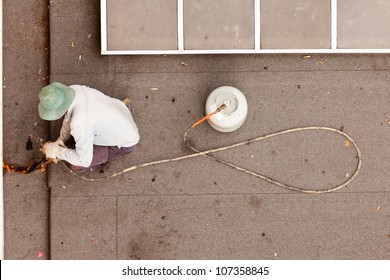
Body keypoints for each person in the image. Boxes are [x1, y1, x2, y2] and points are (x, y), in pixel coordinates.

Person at [38, 82, 140, 173]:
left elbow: (84, 160)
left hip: (124, 143)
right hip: (120, 115)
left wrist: (58, 152)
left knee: (76, 165)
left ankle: (107, 154)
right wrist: (61, 139)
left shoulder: (80, 124)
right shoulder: (73, 89)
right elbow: (67, 119)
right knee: (63, 126)